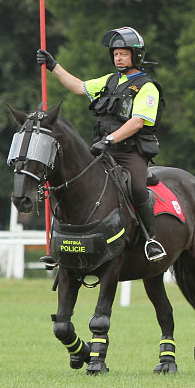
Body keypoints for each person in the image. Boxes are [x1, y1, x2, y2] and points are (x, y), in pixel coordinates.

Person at [37, 27, 166, 261]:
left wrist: (109, 140)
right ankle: (60, 243)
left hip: (130, 152)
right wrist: (53, 66)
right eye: (116, 54)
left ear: (136, 55)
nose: (118, 58)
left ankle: (151, 240)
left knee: (137, 187)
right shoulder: (109, 81)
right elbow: (78, 87)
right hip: (102, 150)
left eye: (124, 54)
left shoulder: (147, 87)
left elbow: (137, 122)